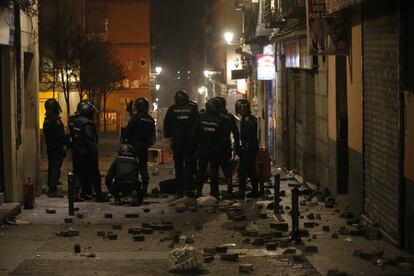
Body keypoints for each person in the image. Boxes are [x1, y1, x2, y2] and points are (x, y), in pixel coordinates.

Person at [164, 90, 199, 196]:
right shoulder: (192, 108)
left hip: (177, 140)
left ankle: (179, 187)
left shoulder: (172, 109)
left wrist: (168, 137)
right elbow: (197, 124)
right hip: (189, 141)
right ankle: (188, 187)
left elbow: (167, 124)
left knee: (178, 164)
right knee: (189, 163)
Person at [71, 100, 105, 202]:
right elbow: (91, 141)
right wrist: (94, 154)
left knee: (78, 173)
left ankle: (76, 194)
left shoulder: (75, 122)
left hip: (77, 152)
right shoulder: (87, 124)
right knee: (94, 174)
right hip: (87, 153)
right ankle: (98, 195)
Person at [195, 98, 226, 199]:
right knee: (214, 172)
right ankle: (214, 192)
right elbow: (223, 137)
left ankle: (198, 191)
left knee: (201, 171)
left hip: (203, 148)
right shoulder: (221, 119)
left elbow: (195, 132)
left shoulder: (201, 117)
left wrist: (196, 147)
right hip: (216, 149)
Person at [124, 98, 156, 196]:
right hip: (144, 145)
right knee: (143, 166)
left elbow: (128, 131)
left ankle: (133, 187)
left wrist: (128, 141)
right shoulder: (150, 120)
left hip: (134, 145)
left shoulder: (135, 118)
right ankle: (145, 188)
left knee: (132, 166)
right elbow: (152, 136)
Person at [215, 97, 241, 197]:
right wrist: (237, 146)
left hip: (217, 145)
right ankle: (229, 187)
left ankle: (215, 190)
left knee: (215, 168)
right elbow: (236, 133)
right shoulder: (229, 117)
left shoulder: (217, 116)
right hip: (226, 145)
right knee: (226, 168)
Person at [235, 99, 260, 199]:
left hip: (249, 147)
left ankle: (243, 192)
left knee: (244, 170)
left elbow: (248, 135)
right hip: (250, 147)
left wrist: (245, 149)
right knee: (250, 169)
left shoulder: (248, 120)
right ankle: (254, 190)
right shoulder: (248, 118)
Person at [43, 98, 66, 198]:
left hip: (51, 147)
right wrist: (67, 141)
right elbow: (59, 135)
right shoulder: (54, 120)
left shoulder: (47, 119)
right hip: (56, 147)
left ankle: (52, 184)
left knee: (52, 166)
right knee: (55, 167)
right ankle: (53, 189)